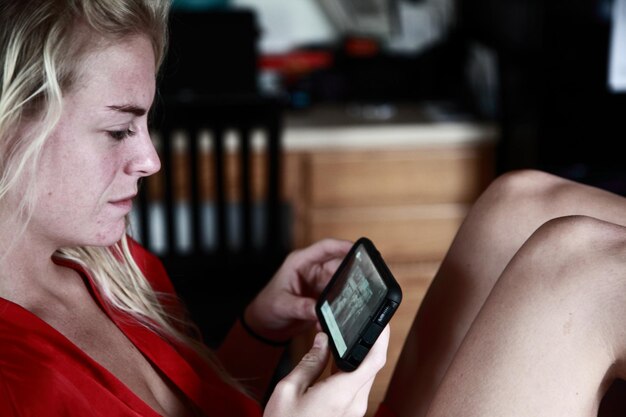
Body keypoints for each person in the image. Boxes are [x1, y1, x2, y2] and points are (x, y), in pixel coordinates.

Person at [1, 2, 626, 417]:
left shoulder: (109, 259)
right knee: (578, 271)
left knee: (520, 203)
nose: (150, 160)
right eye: (118, 131)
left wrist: (256, 330)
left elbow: (196, 405)